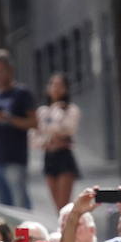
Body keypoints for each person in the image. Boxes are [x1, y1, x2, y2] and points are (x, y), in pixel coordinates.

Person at [0, 49, 37, 209]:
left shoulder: (22, 93)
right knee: (3, 208)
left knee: (20, 205)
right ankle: (8, 236)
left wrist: (8, 119)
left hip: (16, 159)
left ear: (10, 70)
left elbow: (34, 123)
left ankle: (25, 235)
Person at [34, 72, 80, 211]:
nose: (55, 88)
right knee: (56, 207)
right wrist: (48, 140)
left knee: (64, 205)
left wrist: (55, 114)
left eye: (60, 85)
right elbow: (36, 136)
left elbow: (67, 130)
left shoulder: (71, 109)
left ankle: (68, 231)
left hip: (64, 157)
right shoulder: (42, 111)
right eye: (53, 85)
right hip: (49, 157)